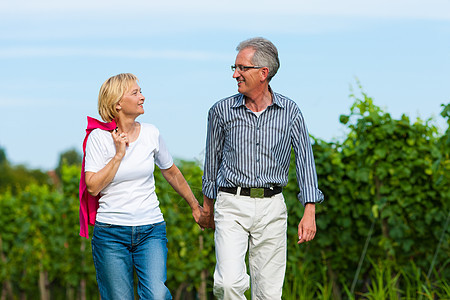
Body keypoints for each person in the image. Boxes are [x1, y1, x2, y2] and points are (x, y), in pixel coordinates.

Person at [201, 37, 324, 299]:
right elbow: (211, 163)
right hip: (231, 203)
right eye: (234, 68)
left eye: (242, 68)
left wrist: (309, 210)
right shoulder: (221, 111)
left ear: (263, 73)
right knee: (228, 284)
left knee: (268, 293)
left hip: (272, 207)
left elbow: (305, 160)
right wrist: (207, 207)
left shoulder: (290, 112)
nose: (236, 74)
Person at [82, 73, 208, 299]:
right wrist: (118, 155)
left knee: (157, 295)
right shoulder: (99, 138)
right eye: (135, 93)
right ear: (117, 103)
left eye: (140, 92)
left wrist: (194, 205)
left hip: (151, 229)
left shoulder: (151, 133)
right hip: (111, 233)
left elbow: (172, 172)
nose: (142, 97)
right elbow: (92, 187)